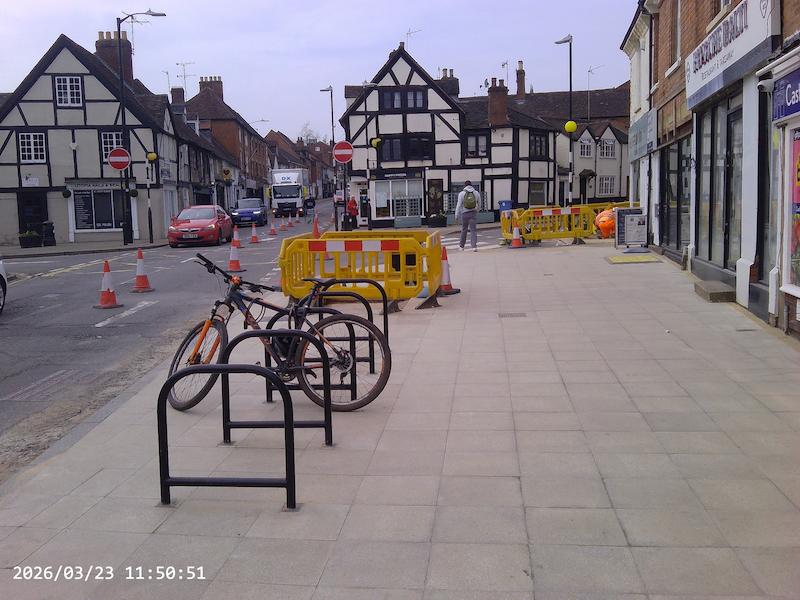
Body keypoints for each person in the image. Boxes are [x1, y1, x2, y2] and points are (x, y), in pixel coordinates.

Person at [455, 181, 480, 251]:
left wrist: (456, 215)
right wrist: (477, 210)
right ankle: (474, 247)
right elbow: (479, 203)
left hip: (464, 213)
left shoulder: (461, 193)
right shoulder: (476, 193)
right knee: (473, 230)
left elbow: (458, 205)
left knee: (464, 230)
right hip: (473, 213)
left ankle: (461, 246)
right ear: (471, 185)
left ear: (465, 186)